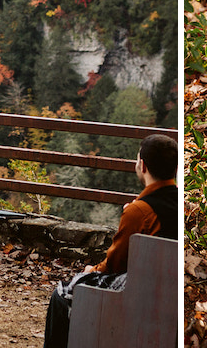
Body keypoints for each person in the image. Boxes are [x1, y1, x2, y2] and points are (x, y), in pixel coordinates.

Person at [42, 133, 178, 348]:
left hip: (142, 293)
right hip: (172, 292)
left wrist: (91, 270)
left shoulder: (140, 211)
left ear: (142, 166)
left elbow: (115, 264)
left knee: (62, 293)